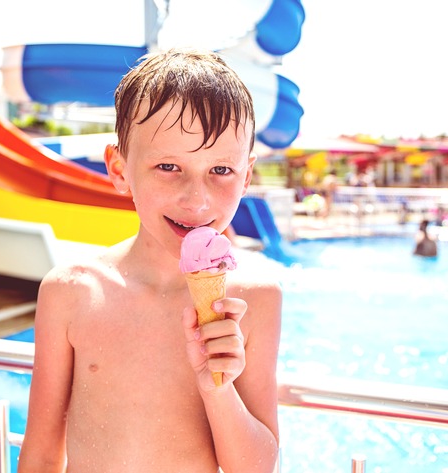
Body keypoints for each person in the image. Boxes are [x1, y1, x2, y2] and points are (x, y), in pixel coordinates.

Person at [17, 48, 282, 473]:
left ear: (246, 176)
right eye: (168, 166)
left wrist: (218, 388)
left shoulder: (255, 301)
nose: (196, 198)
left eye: (220, 170)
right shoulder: (71, 292)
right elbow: (42, 456)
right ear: (120, 169)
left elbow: (258, 467)